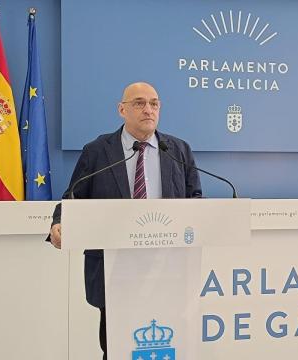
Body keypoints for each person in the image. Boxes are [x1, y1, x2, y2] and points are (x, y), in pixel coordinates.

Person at [47, 82, 202, 359]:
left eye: (154, 104)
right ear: (122, 109)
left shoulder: (178, 150)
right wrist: (59, 222)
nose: (148, 110)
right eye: (139, 103)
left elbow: (195, 200)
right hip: (113, 267)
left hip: (168, 266)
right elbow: (73, 196)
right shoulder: (97, 151)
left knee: (169, 344)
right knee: (116, 346)